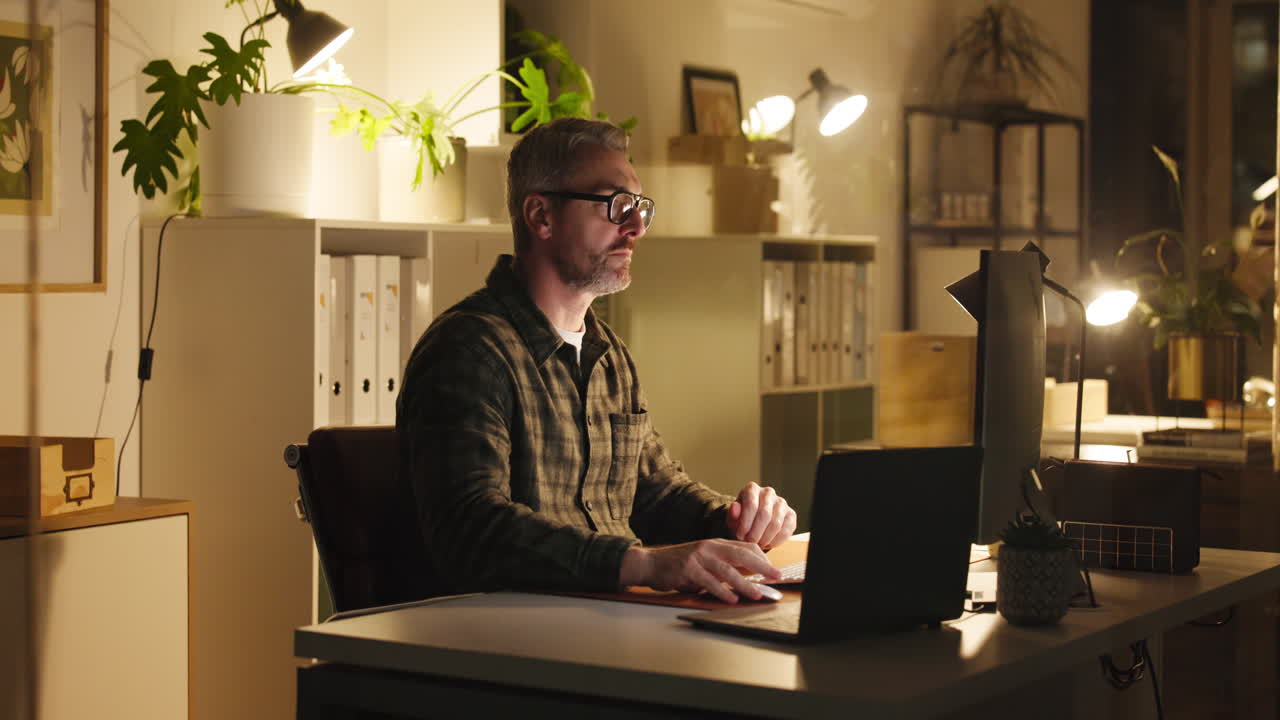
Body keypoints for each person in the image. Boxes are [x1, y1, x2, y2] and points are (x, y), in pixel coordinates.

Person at [397, 117, 797, 604]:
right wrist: (644, 564)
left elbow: (654, 491)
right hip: (514, 639)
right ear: (541, 216)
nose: (635, 228)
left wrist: (739, 519)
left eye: (639, 209)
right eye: (616, 206)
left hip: (614, 621)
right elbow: (472, 529)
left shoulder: (609, 356)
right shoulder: (468, 352)